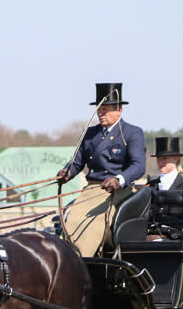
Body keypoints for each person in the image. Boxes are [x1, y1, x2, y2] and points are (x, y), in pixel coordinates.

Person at [56, 82, 146, 256]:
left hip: (117, 191)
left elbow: (138, 165)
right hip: (91, 190)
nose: (100, 113)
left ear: (119, 110)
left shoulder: (132, 133)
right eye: (99, 109)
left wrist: (119, 179)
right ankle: (65, 257)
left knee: (94, 223)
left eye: (105, 110)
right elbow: (77, 162)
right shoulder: (90, 133)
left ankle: (81, 259)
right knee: (71, 219)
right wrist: (67, 173)